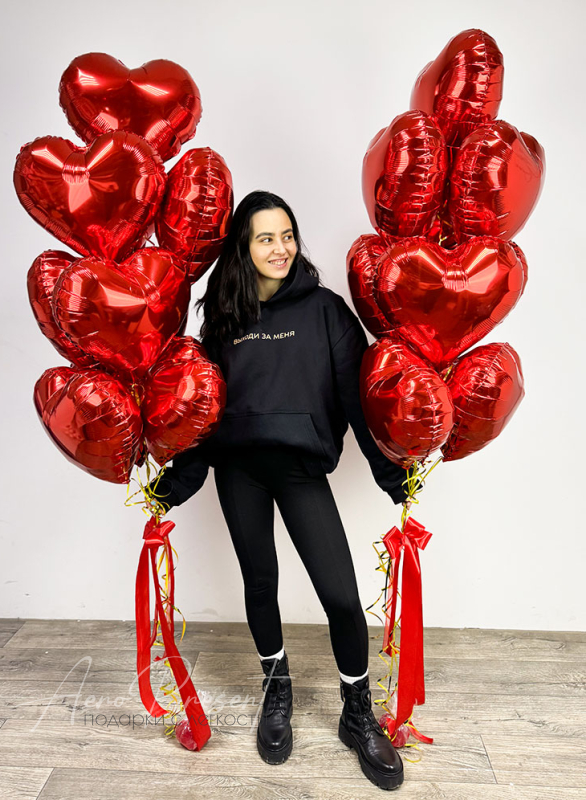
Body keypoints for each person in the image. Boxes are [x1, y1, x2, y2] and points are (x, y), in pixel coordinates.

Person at [146, 190, 408, 790]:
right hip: (238, 470)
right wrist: (174, 484)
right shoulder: (223, 321)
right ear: (244, 246)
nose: (281, 248)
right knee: (260, 582)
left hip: (298, 470)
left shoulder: (325, 311)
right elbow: (204, 413)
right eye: (266, 238)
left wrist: (391, 472)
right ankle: (276, 687)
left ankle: (356, 713)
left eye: (287, 235)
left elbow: (358, 402)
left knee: (340, 596)